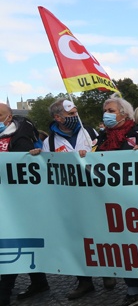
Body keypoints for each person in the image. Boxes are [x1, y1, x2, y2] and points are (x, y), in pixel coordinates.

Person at [29, 99, 117, 300]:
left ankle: (108, 272)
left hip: (96, 196)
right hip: (69, 201)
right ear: (58, 118)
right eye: (70, 115)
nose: (75, 117)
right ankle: (84, 281)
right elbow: (44, 170)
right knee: (77, 240)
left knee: (101, 235)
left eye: (76, 112)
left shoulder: (91, 132)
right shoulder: (49, 143)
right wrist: (35, 156)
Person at [94, 95, 138, 306]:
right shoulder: (101, 138)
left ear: (124, 114)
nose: (106, 114)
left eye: (111, 110)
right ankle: (134, 289)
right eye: (105, 110)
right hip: (110, 203)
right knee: (120, 248)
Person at [0, 103, 49, 306]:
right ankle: (40, 282)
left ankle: (4, 291)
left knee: (10, 242)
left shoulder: (20, 136)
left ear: (9, 117)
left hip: (16, 201)